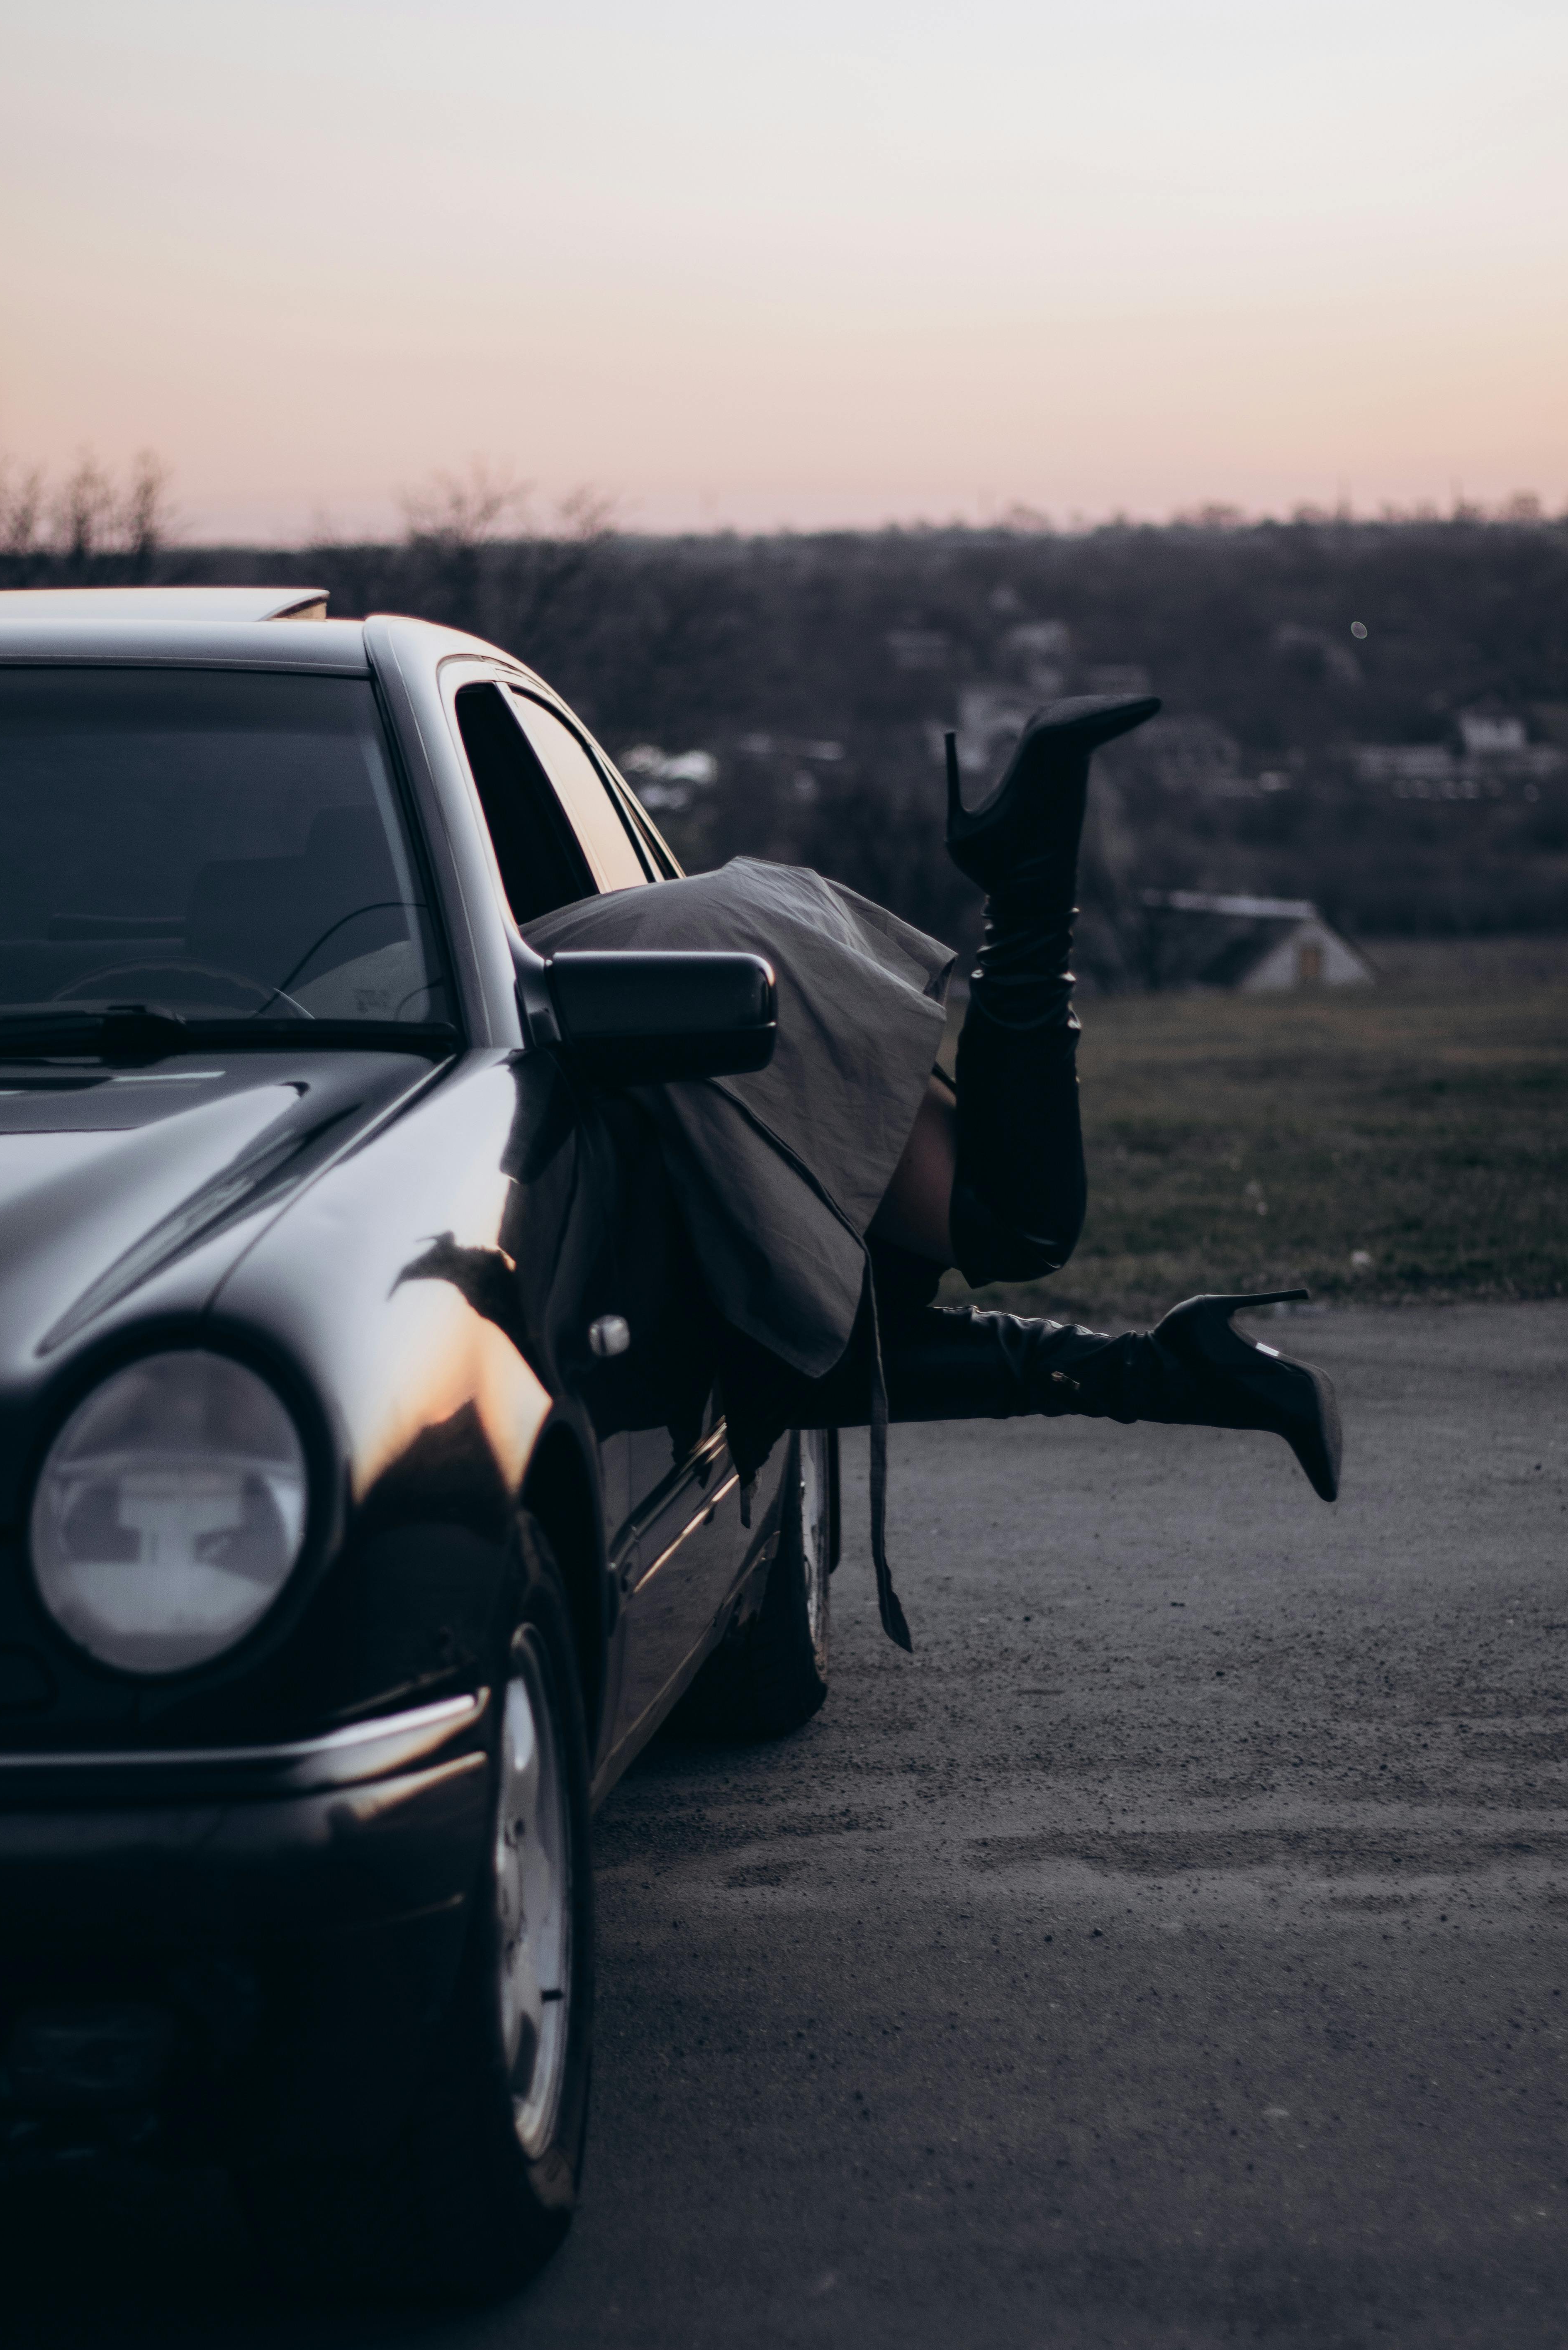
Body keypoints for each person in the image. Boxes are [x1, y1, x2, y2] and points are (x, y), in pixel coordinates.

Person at [528, 695, 1342, 1647]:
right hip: (686, 946)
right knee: (834, 1331)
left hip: (669, 963)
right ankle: (1171, 1371)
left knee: (1010, 1224)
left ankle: (1030, 867)